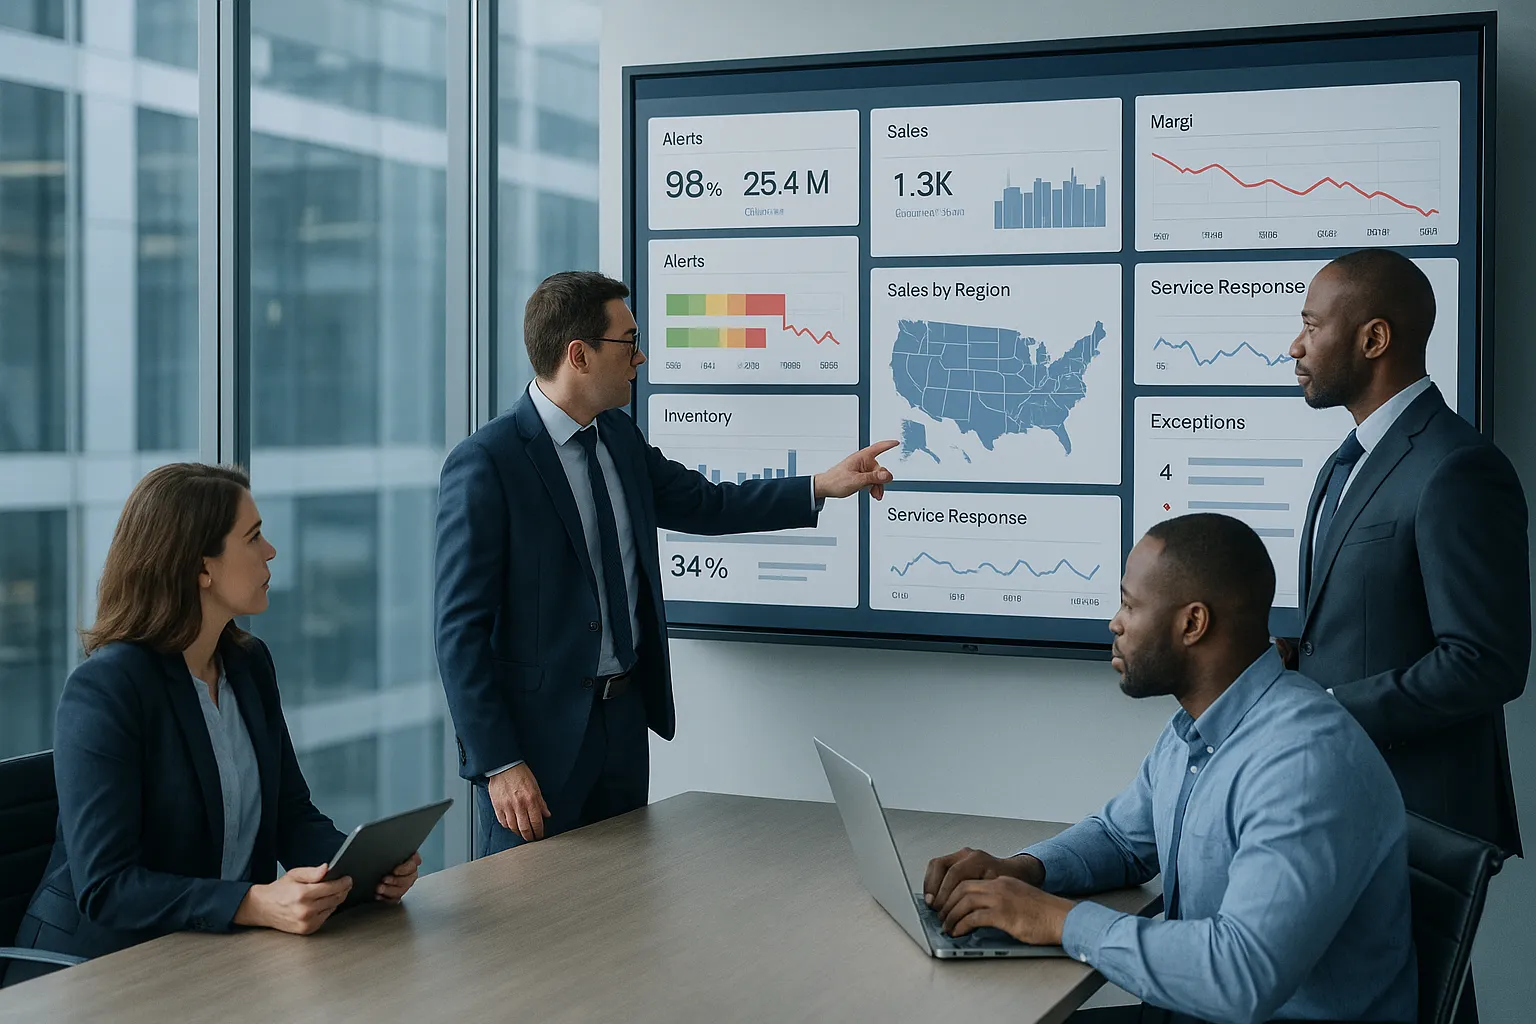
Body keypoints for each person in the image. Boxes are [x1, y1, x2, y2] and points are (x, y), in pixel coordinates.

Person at [435, 271, 896, 856]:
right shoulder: (486, 464)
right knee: (523, 934)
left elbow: (708, 503)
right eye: (628, 342)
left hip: (623, 728)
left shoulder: (618, 439)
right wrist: (499, 761)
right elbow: (458, 633)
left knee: (623, 919)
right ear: (579, 354)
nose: (641, 356)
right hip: (534, 750)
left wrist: (821, 486)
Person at [924, 514, 1417, 1024]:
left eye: (1130, 605)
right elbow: (1121, 839)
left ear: (1192, 624)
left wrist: (1054, 919)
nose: (1115, 623)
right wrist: (1022, 871)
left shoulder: (1304, 761)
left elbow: (1241, 976)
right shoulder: (1196, 727)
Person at [4, 464, 420, 987]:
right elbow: (107, 887)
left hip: (211, 959)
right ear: (202, 568)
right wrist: (253, 902)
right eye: (253, 537)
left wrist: (359, 871)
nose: (271, 551)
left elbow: (290, 816)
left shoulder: (249, 666)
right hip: (93, 975)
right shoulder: (107, 688)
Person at [1283, 248, 1527, 1023]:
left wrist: (1324, 707)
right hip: (1354, 801)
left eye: (1311, 325)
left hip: (1422, 817)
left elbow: (1485, 662)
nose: (1295, 346)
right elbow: (1357, 627)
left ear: (1374, 339)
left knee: (1423, 1005)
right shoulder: (1343, 464)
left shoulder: (1458, 467)